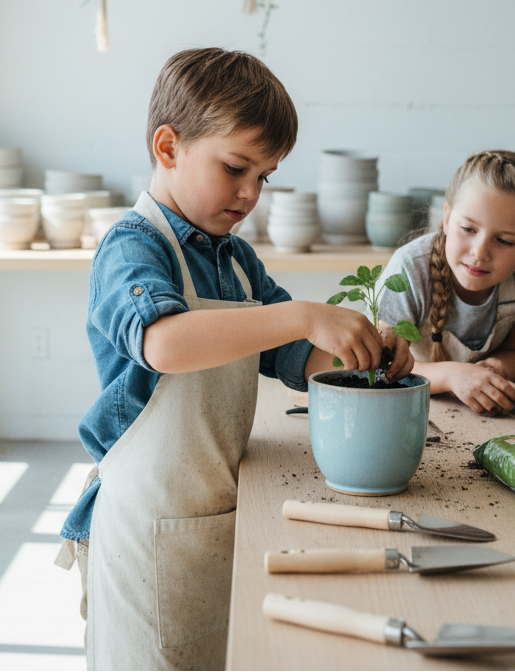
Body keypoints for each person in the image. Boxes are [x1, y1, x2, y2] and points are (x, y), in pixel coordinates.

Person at [55, 48, 413, 670]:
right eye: (235, 168)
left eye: (264, 177)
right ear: (169, 147)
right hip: (145, 526)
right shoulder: (131, 249)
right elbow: (165, 343)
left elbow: (294, 354)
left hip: (214, 513)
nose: (250, 193)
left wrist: (361, 352)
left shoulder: (236, 259)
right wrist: (303, 313)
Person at [377, 150, 515, 414]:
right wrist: (453, 376)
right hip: (409, 409)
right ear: (447, 218)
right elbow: (383, 368)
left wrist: (496, 368)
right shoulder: (409, 269)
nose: (480, 252)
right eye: (468, 229)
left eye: (504, 241)